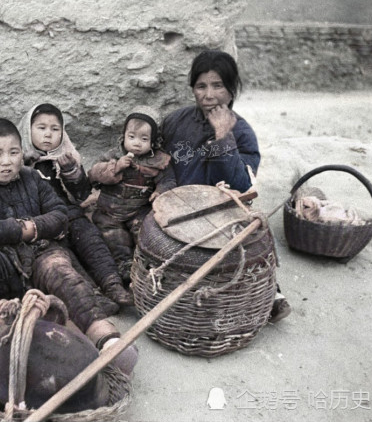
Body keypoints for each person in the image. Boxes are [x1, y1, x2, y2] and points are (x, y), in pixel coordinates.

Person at [0, 118, 138, 378]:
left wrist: (34, 227)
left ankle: (109, 341)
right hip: (3, 269)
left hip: (42, 258)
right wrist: (19, 229)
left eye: (13, 152)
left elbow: (59, 214)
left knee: (60, 268)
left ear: (22, 152)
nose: (7, 161)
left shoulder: (32, 178)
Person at [158, 49, 291, 322]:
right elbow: (158, 159)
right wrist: (164, 187)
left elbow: (241, 184)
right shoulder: (175, 122)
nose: (209, 95)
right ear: (192, 89)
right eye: (201, 86)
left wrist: (222, 135)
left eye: (218, 85)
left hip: (223, 215)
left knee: (254, 240)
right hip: (179, 209)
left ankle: (268, 292)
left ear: (232, 89)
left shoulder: (242, 133)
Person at [18, 103, 132, 308]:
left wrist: (71, 170)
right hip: (41, 222)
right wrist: (24, 165)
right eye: (41, 128)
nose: (48, 135)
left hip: (69, 213)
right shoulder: (17, 160)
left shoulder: (65, 156)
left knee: (91, 240)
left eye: (55, 129)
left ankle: (113, 284)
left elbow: (82, 194)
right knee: (65, 257)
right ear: (28, 130)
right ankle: (93, 297)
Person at [88, 106, 171, 282]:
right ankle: (124, 265)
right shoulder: (113, 155)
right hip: (110, 212)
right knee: (112, 235)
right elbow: (93, 173)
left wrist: (160, 191)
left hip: (138, 210)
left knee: (146, 231)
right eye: (131, 137)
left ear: (153, 141)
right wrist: (115, 167)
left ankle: (146, 264)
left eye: (144, 139)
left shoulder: (157, 161)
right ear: (123, 136)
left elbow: (168, 180)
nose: (136, 143)